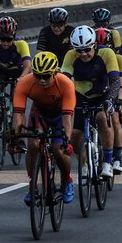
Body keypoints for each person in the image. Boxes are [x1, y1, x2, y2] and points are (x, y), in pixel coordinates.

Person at [12, 52, 76, 205]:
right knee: (33, 144)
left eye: (46, 76)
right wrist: (17, 138)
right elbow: (18, 114)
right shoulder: (24, 83)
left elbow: (67, 118)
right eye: (37, 75)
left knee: (58, 148)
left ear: (55, 73)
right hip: (39, 113)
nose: (41, 80)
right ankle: (32, 186)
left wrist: (66, 140)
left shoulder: (66, 84)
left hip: (60, 115)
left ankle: (67, 180)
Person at [62, 25, 120, 178]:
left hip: (103, 94)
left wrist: (111, 100)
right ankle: (84, 164)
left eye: (87, 49)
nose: (83, 54)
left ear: (95, 45)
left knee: (102, 118)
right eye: (79, 50)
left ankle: (108, 162)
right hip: (80, 97)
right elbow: (64, 80)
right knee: (74, 135)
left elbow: (115, 80)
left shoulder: (107, 53)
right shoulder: (70, 55)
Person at [0, 16, 32, 115]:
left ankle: (18, 127)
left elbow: (28, 66)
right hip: (3, 69)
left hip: (19, 71)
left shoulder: (21, 44)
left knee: (17, 101)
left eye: (9, 39)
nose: (5, 42)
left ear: (14, 36)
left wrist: (21, 78)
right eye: (2, 39)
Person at [96, 28, 122, 174]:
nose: (103, 49)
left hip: (113, 92)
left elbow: (120, 84)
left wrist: (119, 101)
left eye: (106, 46)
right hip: (97, 92)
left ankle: (118, 158)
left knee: (115, 120)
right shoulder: (93, 58)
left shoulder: (118, 59)